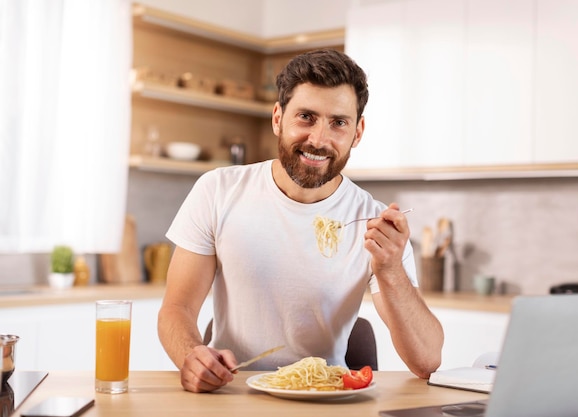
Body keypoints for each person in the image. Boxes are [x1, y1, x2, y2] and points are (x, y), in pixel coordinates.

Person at [158, 49, 444, 393]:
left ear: (358, 132)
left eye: (338, 123)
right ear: (278, 117)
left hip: (325, 398)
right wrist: (191, 355)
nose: (319, 140)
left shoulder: (374, 222)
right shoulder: (217, 190)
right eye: (306, 117)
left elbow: (427, 360)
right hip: (232, 393)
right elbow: (177, 308)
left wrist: (391, 270)